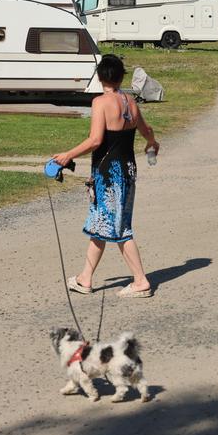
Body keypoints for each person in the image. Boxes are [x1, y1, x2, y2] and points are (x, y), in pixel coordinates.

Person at [54, 54, 159, 298]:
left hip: (109, 175)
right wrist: (152, 143)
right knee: (99, 223)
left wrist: (68, 155)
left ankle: (141, 281)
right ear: (121, 77)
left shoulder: (100, 102)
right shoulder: (131, 101)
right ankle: (85, 278)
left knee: (119, 228)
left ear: (100, 77)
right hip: (128, 171)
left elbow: (95, 140)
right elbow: (146, 130)